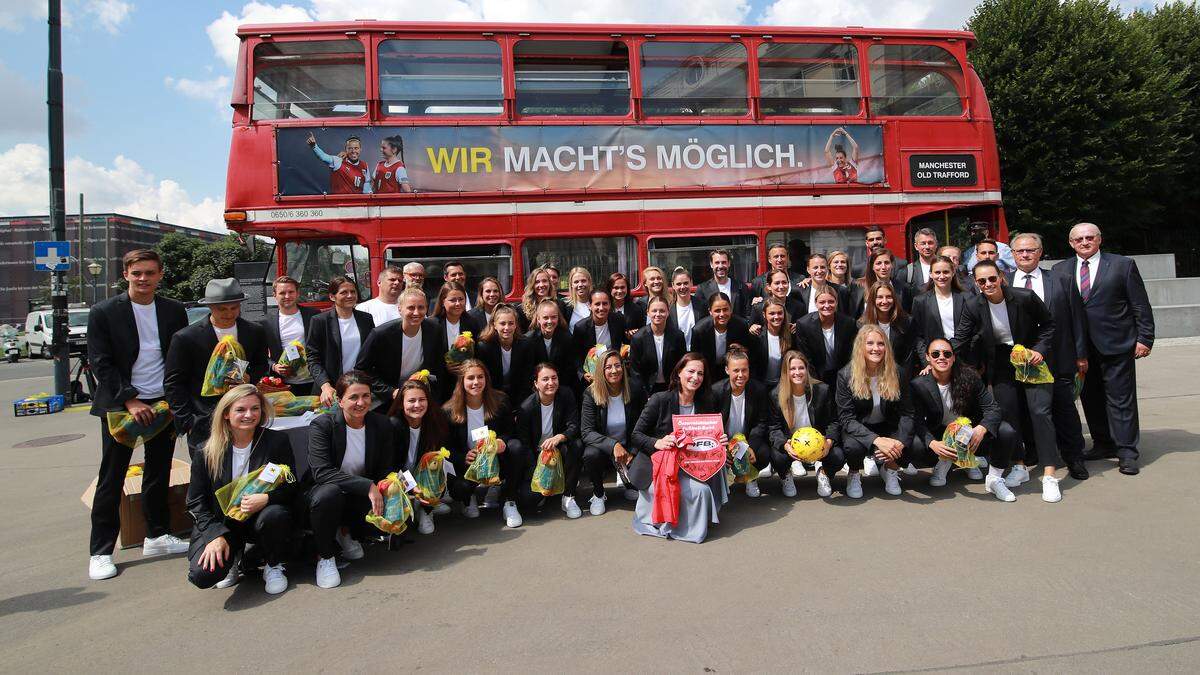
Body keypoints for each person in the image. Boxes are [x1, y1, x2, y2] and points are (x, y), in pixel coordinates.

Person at [87, 249, 190, 580]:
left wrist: (175, 399)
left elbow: (178, 357)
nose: (143, 279)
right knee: (113, 476)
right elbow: (101, 362)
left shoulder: (174, 310)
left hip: (162, 403)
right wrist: (130, 400)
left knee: (158, 471)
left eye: (150, 273)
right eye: (137, 273)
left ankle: (157, 535)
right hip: (122, 405)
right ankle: (101, 551)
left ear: (160, 274)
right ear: (126, 273)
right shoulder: (104, 312)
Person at [1051, 223, 1154, 475]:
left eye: (1089, 237)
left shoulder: (1122, 265)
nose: (1084, 242)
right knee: (1091, 398)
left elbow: (1140, 304)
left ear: (1099, 239)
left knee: (1121, 400)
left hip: (1117, 344)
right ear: (1071, 243)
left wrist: (1145, 338)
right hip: (1080, 348)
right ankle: (1103, 443)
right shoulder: (1059, 269)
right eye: (1079, 239)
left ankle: (1127, 451)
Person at [953, 260, 1057, 502]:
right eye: (981, 281)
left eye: (992, 278)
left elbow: (1048, 325)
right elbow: (961, 337)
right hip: (1001, 361)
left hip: (1030, 357)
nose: (988, 284)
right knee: (1008, 414)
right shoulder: (973, 305)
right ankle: (1019, 465)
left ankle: (1050, 474)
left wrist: (1039, 349)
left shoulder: (1025, 297)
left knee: (1040, 411)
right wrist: (937, 358)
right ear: (976, 284)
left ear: (1001, 277)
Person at [185, 384, 296, 593]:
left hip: (260, 517)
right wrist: (214, 536)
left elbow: (292, 485)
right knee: (202, 576)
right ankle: (233, 557)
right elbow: (195, 501)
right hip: (224, 522)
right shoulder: (206, 451)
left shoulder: (276, 441)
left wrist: (267, 499)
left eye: (255, 408)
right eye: (240, 410)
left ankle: (273, 564)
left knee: (276, 514)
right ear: (226, 413)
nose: (249, 415)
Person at [1010, 232, 1090, 481]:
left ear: (1040, 252)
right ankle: (1035, 453)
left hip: (1058, 359)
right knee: (1027, 410)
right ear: (1012, 255)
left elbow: (1077, 318)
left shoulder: (1061, 280)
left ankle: (1074, 457)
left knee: (1064, 409)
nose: (1025, 255)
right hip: (1019, 362)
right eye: (1020, 251)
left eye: (1031, 250)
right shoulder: (1002, 282)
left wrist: (1081, 354)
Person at [306, 371, 395, 589]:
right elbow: (321, 472)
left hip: (357, 494)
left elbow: (385, 469)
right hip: (324, 492)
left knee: (394, 511)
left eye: (366, 396)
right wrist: (368, 486)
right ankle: (325, 557)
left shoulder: (382, 424)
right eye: (353, 397)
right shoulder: (322, 425)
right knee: (329, 494)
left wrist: (387, 486)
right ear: (339, 400)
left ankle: (346, 532)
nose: (361, 402)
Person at [630, 353, 729, 544]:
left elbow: (707, 438)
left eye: (700, 373)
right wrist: (656, 442)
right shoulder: (660, 399)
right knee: (700, 491)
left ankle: (707, 515)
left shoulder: (706, 402)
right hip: (662, 467)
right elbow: (636, 435)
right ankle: (689, 527)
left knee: (719, 464)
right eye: (691, 371)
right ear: (678, 374)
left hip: (691, 461)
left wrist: (720, 440)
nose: (695, 377)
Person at [165, 278, 268, 456]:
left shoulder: (254, 331)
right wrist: (188, 421)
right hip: (203, 419)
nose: (229, 313)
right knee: (207, 475)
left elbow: (261, 365)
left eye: (234, 308)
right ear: (210, 307)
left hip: (245, 418)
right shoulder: (186, 337)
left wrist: (249, 378)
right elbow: (174, 383)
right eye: (222, 309)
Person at [909, 339, 1018, 493]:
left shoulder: (969, 377)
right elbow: (917, 420)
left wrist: (982, 428)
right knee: (916, 446)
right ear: (927, 357)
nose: (941, 357)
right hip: (940, 432)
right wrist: (932, 443)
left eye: (947, 354)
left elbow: (993, 408)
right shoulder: (918, 384)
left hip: (969, 433)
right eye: (935, 354)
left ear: (953, 357)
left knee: (1006, 431)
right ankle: (946, 461)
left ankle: (994, 479)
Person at [835, 325, 916, 497]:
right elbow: (847, 419)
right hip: (860, 427)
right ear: (861, 347)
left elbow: (907, 413)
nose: (876, 348)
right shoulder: (846, 375)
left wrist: (899, 442)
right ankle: (854, 474)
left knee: (913, 444)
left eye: (881, 344)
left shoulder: (898, 372)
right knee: (852, 447)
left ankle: (890, 468)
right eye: (870, 343)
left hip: (887, 425)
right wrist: (877, 440)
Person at [442, 359, 522, 527]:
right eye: (470, 378)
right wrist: (463, 456)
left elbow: (511, 430)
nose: (476, 382)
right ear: (462, 381)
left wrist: (502, 441)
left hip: (495, 459)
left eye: (480, 377)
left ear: (486, 379)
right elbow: (446, 446)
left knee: (515, 447)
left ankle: (509, 501)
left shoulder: (500, 401)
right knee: (459, 489)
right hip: (469, 464)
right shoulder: (449, 410)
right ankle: (468, 497)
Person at [354, 287, 447, 407]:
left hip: (420, 393)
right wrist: (391, 392)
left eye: (421, 307)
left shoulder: (434, 329)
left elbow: (438, 365)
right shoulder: (380, 334)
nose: (416, 312)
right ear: (400, 309)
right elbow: (361, 370)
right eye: (411, 308)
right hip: (387, 396)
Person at [767, 350, 842, 497]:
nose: (797, 372)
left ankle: (823, 472)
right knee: (777, 457)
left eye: (801, 368)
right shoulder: (776, 395)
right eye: (792, 369)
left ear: (807, 369)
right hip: (792, 444)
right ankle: (785, 475)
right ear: (785, 372)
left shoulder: (822, 390)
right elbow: (773, 428)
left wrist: (828, 442)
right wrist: (785, 445)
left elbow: (834, 421)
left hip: (818, 444)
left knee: (838, 456)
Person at [580, 349, 648, 510]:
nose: (614, 370)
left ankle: (629, 482)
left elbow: (644, 424)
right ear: (601, 371)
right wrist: (613, 446)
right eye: (608, 367)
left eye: (618, 365)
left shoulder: (635, 388)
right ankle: (598, 494)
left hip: (630, 446)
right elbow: (587, 432)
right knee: (590, 454)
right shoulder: (591, 393)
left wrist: (632, 451)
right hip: (605, 448)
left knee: (639, 484)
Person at [515, 363, 584, 518]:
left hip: (559, 448)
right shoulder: (526, 408)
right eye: (545, 379)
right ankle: (548, 489)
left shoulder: (566, 395)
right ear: (536, 383)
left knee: (577, 445)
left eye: (554, 378)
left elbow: (574, 425)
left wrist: (560, 436)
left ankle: (569, 496)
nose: (551, 383)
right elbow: (524, 444)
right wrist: (538, 471)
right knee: (528, 499)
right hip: (537, 456)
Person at [387, 375, 448, 535]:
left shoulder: (434, 421)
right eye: (411, 401)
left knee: (437, 463)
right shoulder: (393, 425)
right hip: (399, 477)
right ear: (401, 404)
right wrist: (412, 487)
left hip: (422, 475)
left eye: (422, 400)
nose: (417, 405)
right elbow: (390, 466)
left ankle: (427, 510)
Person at [307, 277, 375, 408]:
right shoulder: (320, 321)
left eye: (353, 292)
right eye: (344, 292)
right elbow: (313, 358)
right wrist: (325, 386)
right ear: (332, 297)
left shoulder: (366, 319)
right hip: (330, 391)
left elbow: (371, 353)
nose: (350, 296)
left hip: (359, 388)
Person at [712, 349, 772, 497]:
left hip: (747, 439)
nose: (740, 375)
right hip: (724, 440)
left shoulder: (759, 390)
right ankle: (724, 476)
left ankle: (751, 477)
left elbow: (761, 422)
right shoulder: (715, 391)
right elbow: (711, 425)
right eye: (736, 370)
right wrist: (723, 447)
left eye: (744, 370)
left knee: (763, 453)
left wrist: (750, 446)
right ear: (727, 370)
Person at [911, 255, 971, 372]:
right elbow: (918, 337)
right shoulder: (920, 301)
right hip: (935, 362)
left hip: (963, 360)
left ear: (953, 272)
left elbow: (973, 332)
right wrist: (927, 361)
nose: (941, 276)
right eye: (937, 272)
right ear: (931, 274)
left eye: (946, 272)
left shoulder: (966, 298)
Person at [795, 284, 858, 390]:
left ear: (836, 302)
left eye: (831, 301)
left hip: (843, 375)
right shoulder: (804, 324)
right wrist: (817, 384)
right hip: (816, 377)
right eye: (822, 302)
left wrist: (845, 379)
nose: (827, 305)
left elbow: (851, 355)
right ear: (815, 303)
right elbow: (806, 359)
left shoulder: (848, 323)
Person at [263, 275, 318, 395]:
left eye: (291, 292)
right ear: (274, 295)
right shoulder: (267, 322)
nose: (287, 296)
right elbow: (261, 356)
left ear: (297, 293)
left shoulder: (314, 316)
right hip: (284, 384)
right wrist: (274, 367)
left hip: (314, 381)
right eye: (282, 293)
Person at [520, 298, 579, 402]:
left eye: (553, 317)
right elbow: (527, 370)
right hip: (535, 389)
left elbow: (569, 368)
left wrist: (555, 387)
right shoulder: (528, 340)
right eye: (545, 318)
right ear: (538, 319)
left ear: (558, 318)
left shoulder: (566, 338)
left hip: (559, 386)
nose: (549, 321)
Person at [629, 296, 687, 396]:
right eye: (654, 311)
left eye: (662, 311)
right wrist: (644, 394)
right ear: (648, 312)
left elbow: (682, 365)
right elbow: (635, 372)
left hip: (671, 388)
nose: (658, 314)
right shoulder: (638, 338)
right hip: (647, 390)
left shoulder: (678, 336)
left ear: (668, 312)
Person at [691, 292, 756, 376]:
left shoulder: (741, 326)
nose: (722, 314)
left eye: (725, 309)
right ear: (710, 311)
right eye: (717, 311)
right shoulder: (699, 330)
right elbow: (695, 357)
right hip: (708, 372)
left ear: (731, 309)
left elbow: (750, 352)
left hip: (732, 372)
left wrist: (741, 350)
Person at [861, 281, 916, 379]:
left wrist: (901, 377)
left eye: (889, 297)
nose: (885, 301)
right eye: (880, 297)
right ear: (873, 299)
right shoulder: (862, 324)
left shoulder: (906, 322)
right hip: (871, 375)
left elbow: (909, 356)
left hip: (898, 375)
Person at [571, 289, 627, 384]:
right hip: (593, 374)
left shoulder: (618, 320)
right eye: (597, 304)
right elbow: (575, 355)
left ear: (610, 305)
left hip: (614, 371)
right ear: (590, 306)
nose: (601, 308)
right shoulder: (581, 327)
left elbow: (625, 342)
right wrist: (583, 373)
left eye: (605, 304)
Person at [476, 305, 528, 395]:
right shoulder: (484, 347)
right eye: (502, 323)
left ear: (516, 325)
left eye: (511, 323)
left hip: (518, 394)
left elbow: (526, 378)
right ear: (494, 325)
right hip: (492, 394)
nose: (507, 328)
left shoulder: (525, 345)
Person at [748, 297, 793, 392]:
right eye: (772, 313)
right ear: (764, 315)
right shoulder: (757, 336)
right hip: (760, 387)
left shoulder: (792, 336)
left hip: (783, 387)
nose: (776, 317)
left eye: (780, 313)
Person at [433, 281, 485, 361]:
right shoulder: (433, 325)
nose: (458, 304)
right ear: (443, 302)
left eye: (461, 299)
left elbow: (476, 354)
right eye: (453, 300)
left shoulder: (472, 323)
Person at [850, 248, 909, 318]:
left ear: (892, 264)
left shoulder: (903, 288)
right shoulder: (859, 287)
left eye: (887, 263)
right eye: (878, 263)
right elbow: (853, 316)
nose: (883, 267)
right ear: (872, 266)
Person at [305, 132, 371, 194]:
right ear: (346, 149)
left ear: (360, 149)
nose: (353, 151)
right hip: (340, 204)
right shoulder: (339, 161)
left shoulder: (364, 166)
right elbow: (323, 157)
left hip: (358, 204)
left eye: (356, 148)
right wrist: (314, 146)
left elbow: (367, 190)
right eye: (350, 148)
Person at [696, 249, 750, 317]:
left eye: (724, 262)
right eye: (717, 263)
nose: (720, 266)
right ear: (711, 264)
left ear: (729, 263)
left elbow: (747, 313)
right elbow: (700, 316)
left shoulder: (741, 287)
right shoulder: (702, 289)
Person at [750, 244, 804, 309]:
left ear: (787, 258)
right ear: (769, 260)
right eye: (776, 256)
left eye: (782, 256)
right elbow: (752, 308)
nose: (779, 260)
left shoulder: (800, 279)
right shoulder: (758, 282)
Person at [668, 267, 708, 351]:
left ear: (691, 283)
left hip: (698, 353)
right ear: (673, 285)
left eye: (686, 283)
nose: (682, 287)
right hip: (677, 355)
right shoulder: (668, 309)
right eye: (679, 284)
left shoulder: (702, 305)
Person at [521, 266, 568, 333]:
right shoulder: (522, 309)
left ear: (549, 284)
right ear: (532, 285)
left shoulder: (560, 305)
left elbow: (563, 330)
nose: (541, 285)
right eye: (537, 282)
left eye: (544, 281)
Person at [901, 228, 940, 303]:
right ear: (916, 246)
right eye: (923, 243)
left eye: (930, 243)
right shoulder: (909, 271)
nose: (927, 247)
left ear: (936, 244)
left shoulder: (946, 267)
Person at [606, 272, 645, 337]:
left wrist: (633, 333)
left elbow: (642, 332)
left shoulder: (636, 309)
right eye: (616, 288)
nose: (619, 291)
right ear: (610, 289)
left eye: (622, 287)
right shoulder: (603, 308)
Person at [565, 267, 595, 332]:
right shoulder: (565, 306)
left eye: (583, 281)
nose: (580, 285)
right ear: (571, 285)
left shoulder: (597, 303)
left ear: (589, 282)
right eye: (576, 282)